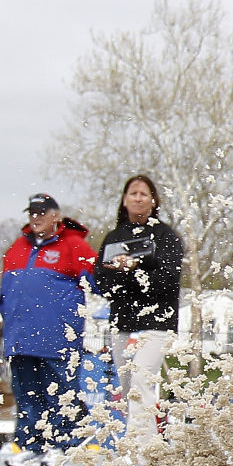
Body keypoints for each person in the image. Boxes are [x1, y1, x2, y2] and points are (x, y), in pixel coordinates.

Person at [0, 193, 96, 466]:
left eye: (43, 212)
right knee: (26, 393)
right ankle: (31, 446)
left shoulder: (74, 245)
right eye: (32, 213)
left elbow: (99, 280)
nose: (36, 218)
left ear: (56, 215)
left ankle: (65, 445)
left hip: (58, 339)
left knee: (61, 392)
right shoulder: (17, 248)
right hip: (21, 337)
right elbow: (5, 294)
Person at [94, 175, 184, 446]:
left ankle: (143, 451)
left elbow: (168, 279)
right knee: (127, 386)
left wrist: (134, 270)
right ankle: (145, 440)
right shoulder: (114, 237)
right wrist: (121, 273)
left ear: (153, 200)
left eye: (144, 194)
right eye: (133, 193)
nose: (138, 198)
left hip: (157, 321)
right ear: (124, 200)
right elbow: (102, 280)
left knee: (141, 380)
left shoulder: (166, 236)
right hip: (123, 321)